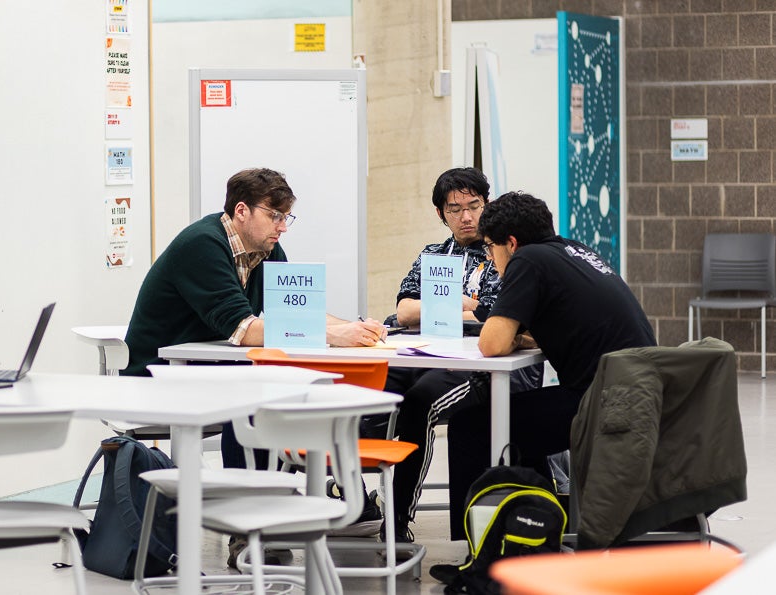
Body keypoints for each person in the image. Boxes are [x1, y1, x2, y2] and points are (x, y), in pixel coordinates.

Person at [123, 167, 386, 565]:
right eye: (275, 216)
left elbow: (294, 313)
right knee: (253, 399)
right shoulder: (203, 245)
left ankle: (285, 506)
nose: (282, 227)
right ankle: (249, 530)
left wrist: (352, 327)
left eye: (286, 218)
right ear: (241, 211)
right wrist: (333, 335)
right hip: (159, 373)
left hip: (207, 365)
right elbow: (244, 330)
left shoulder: (266, 248)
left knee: (277, 390)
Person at [444, 191, 655, 540]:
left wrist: (512, 337)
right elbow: (555, 326)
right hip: (635, 390)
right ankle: (540, 518)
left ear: (510, 243)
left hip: (601, 402)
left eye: (490, 248)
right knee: (524, 420)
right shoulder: (575, 251)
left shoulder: (527, 261)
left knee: (471, 425)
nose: (490, 258)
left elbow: (492, 343)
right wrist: (521, 337)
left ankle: (477, 540)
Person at [379, 167, 540, 543]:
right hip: (423, 353)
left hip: (481, 364)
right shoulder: (433, 254)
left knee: (421, 403)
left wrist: (444, 307)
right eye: (455, 209)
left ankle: (397, 521)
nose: (466, 217)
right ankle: (358, 502)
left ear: (487, 203)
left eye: (473, 206)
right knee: (374, 391)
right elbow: (403, 310)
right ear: (441, 214)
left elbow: (493, 314)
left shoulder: (503, 250)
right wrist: (466, 304)